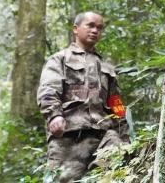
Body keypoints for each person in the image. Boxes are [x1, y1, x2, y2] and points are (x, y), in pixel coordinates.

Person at [36, 12, 129, 182]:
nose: (95, 30)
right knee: (64, 179)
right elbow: (48, 90)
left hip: (103, 135)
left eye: (99, 28)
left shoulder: (106, 68)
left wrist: (124, 135)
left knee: (113, 171)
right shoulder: (60, 59)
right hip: (70, 137)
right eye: (90, 25)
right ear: (76, 29)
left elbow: (116, 103)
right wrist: (54, 115)